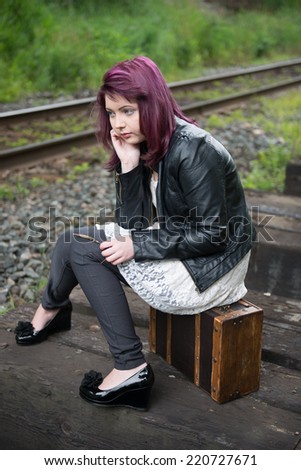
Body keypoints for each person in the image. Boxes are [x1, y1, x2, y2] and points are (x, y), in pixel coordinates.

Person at [14, 56, 255, 411]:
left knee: (85, 251)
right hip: (181, 242)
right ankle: (51, 310)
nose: (118, 124)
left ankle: (131, 368)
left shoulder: (194, 149)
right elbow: (135, 224)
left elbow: (214, 234)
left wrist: (136, 246)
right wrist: (128, 165)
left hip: (211, 266)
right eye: (112, 114)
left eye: (127, 110)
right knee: (72, 239)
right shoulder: (148, 141)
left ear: (153, 102)